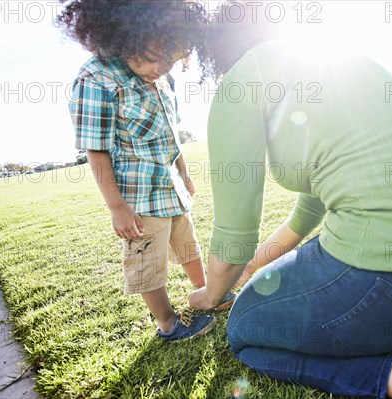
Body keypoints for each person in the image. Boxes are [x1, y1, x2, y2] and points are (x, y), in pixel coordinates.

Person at [182, 3, 392, 398]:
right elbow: (308, 212)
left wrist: (212, 296)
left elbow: (233, 242)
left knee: (245, 330)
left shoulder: (241, 83)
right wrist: (257, 265)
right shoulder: (339, 66)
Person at [57, 0, 232, 341]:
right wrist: (116, 207)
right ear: (129, 35)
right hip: (137, 198)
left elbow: (172, 133)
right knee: (147, 263)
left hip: (170, 188)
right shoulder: (97, 78)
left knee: (188, 246)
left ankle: (209, 293)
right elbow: (96, 149)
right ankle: (168, 323)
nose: (162, 68)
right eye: (157, 57)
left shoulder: (162, 80)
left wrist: (184, 173)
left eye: (172, 60)